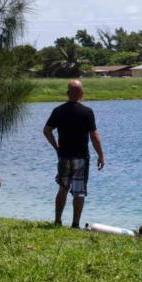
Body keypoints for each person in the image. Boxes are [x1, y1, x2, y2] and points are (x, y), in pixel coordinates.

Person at [43, 80, 105, 228]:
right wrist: (101, 155)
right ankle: (75, 224)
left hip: (64, 155)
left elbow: (47, 130)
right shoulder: (87, 112)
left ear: (68, 93)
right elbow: (94, 136)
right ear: (82, 94)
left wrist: (56, 147)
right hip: (81, 157)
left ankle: (58, 221)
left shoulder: (58, 110)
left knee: (63, 188)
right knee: (79, 191)